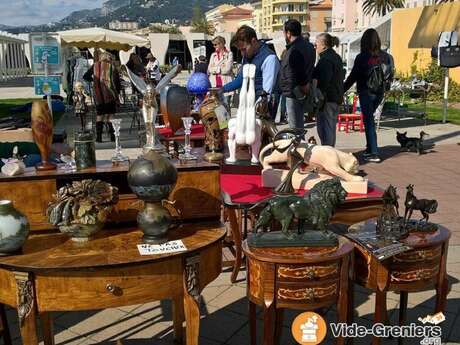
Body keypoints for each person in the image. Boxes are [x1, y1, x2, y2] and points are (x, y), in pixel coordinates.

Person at [344, 28, 393, 163]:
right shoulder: (386, 57)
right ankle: (370, 147)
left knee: (369, 122)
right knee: (369, 120)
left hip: (366, 91)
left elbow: (353, 76)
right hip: (379, 92)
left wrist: (342, 89)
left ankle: (373, 152)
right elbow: (389, 75)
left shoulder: (362, 57)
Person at [222, 25, 280, 103]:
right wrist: (221, 90)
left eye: (244, 49)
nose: (242, 54)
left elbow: (267, 92)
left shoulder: (269, 58)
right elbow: (241, 80)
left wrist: (254, 110)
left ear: (253, 41)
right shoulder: (247, 56)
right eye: (240, 50)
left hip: (264, 108)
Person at [278, 19, 316, 130]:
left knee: (295, 129)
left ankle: (299, 146)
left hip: (294, 91)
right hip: (300, 90)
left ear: (288, 33)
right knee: (298, 126)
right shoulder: (308, 46)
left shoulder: (294, 49)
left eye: (284, 32)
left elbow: (298, 70)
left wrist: (303, 85)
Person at [312, 33, 344, 147]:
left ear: (324, 46)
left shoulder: (325, 60)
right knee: (330, 128)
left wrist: (318, 97)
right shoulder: (336, 57)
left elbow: (324, 81)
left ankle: (328, 153)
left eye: (317, 44)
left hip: (327, 99)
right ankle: (329, 151)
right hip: (336, 97)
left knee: (325, 130)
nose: (315, 47)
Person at [84, 51, 121, 143]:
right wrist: (117, 93)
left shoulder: (95, 66)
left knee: (100, 115)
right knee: (110, 116)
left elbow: (85, 76)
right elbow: (117, 82)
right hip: (110, 94)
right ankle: (112, 137)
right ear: (109, 58)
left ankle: (99, 138)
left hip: (98, 95)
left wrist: (95, 81)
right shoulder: (112, 67)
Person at [208, 36, 234, 105]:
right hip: (214, 85)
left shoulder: (229, 54)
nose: (214, 46)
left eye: (215, 44)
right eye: (213, 44)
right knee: (216, 107)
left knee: (226, 106)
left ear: (221, 44)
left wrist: (215, 68)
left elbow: (227, 70)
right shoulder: (213, 55)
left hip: (225, 85)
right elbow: (209, 69)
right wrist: (220, 68)